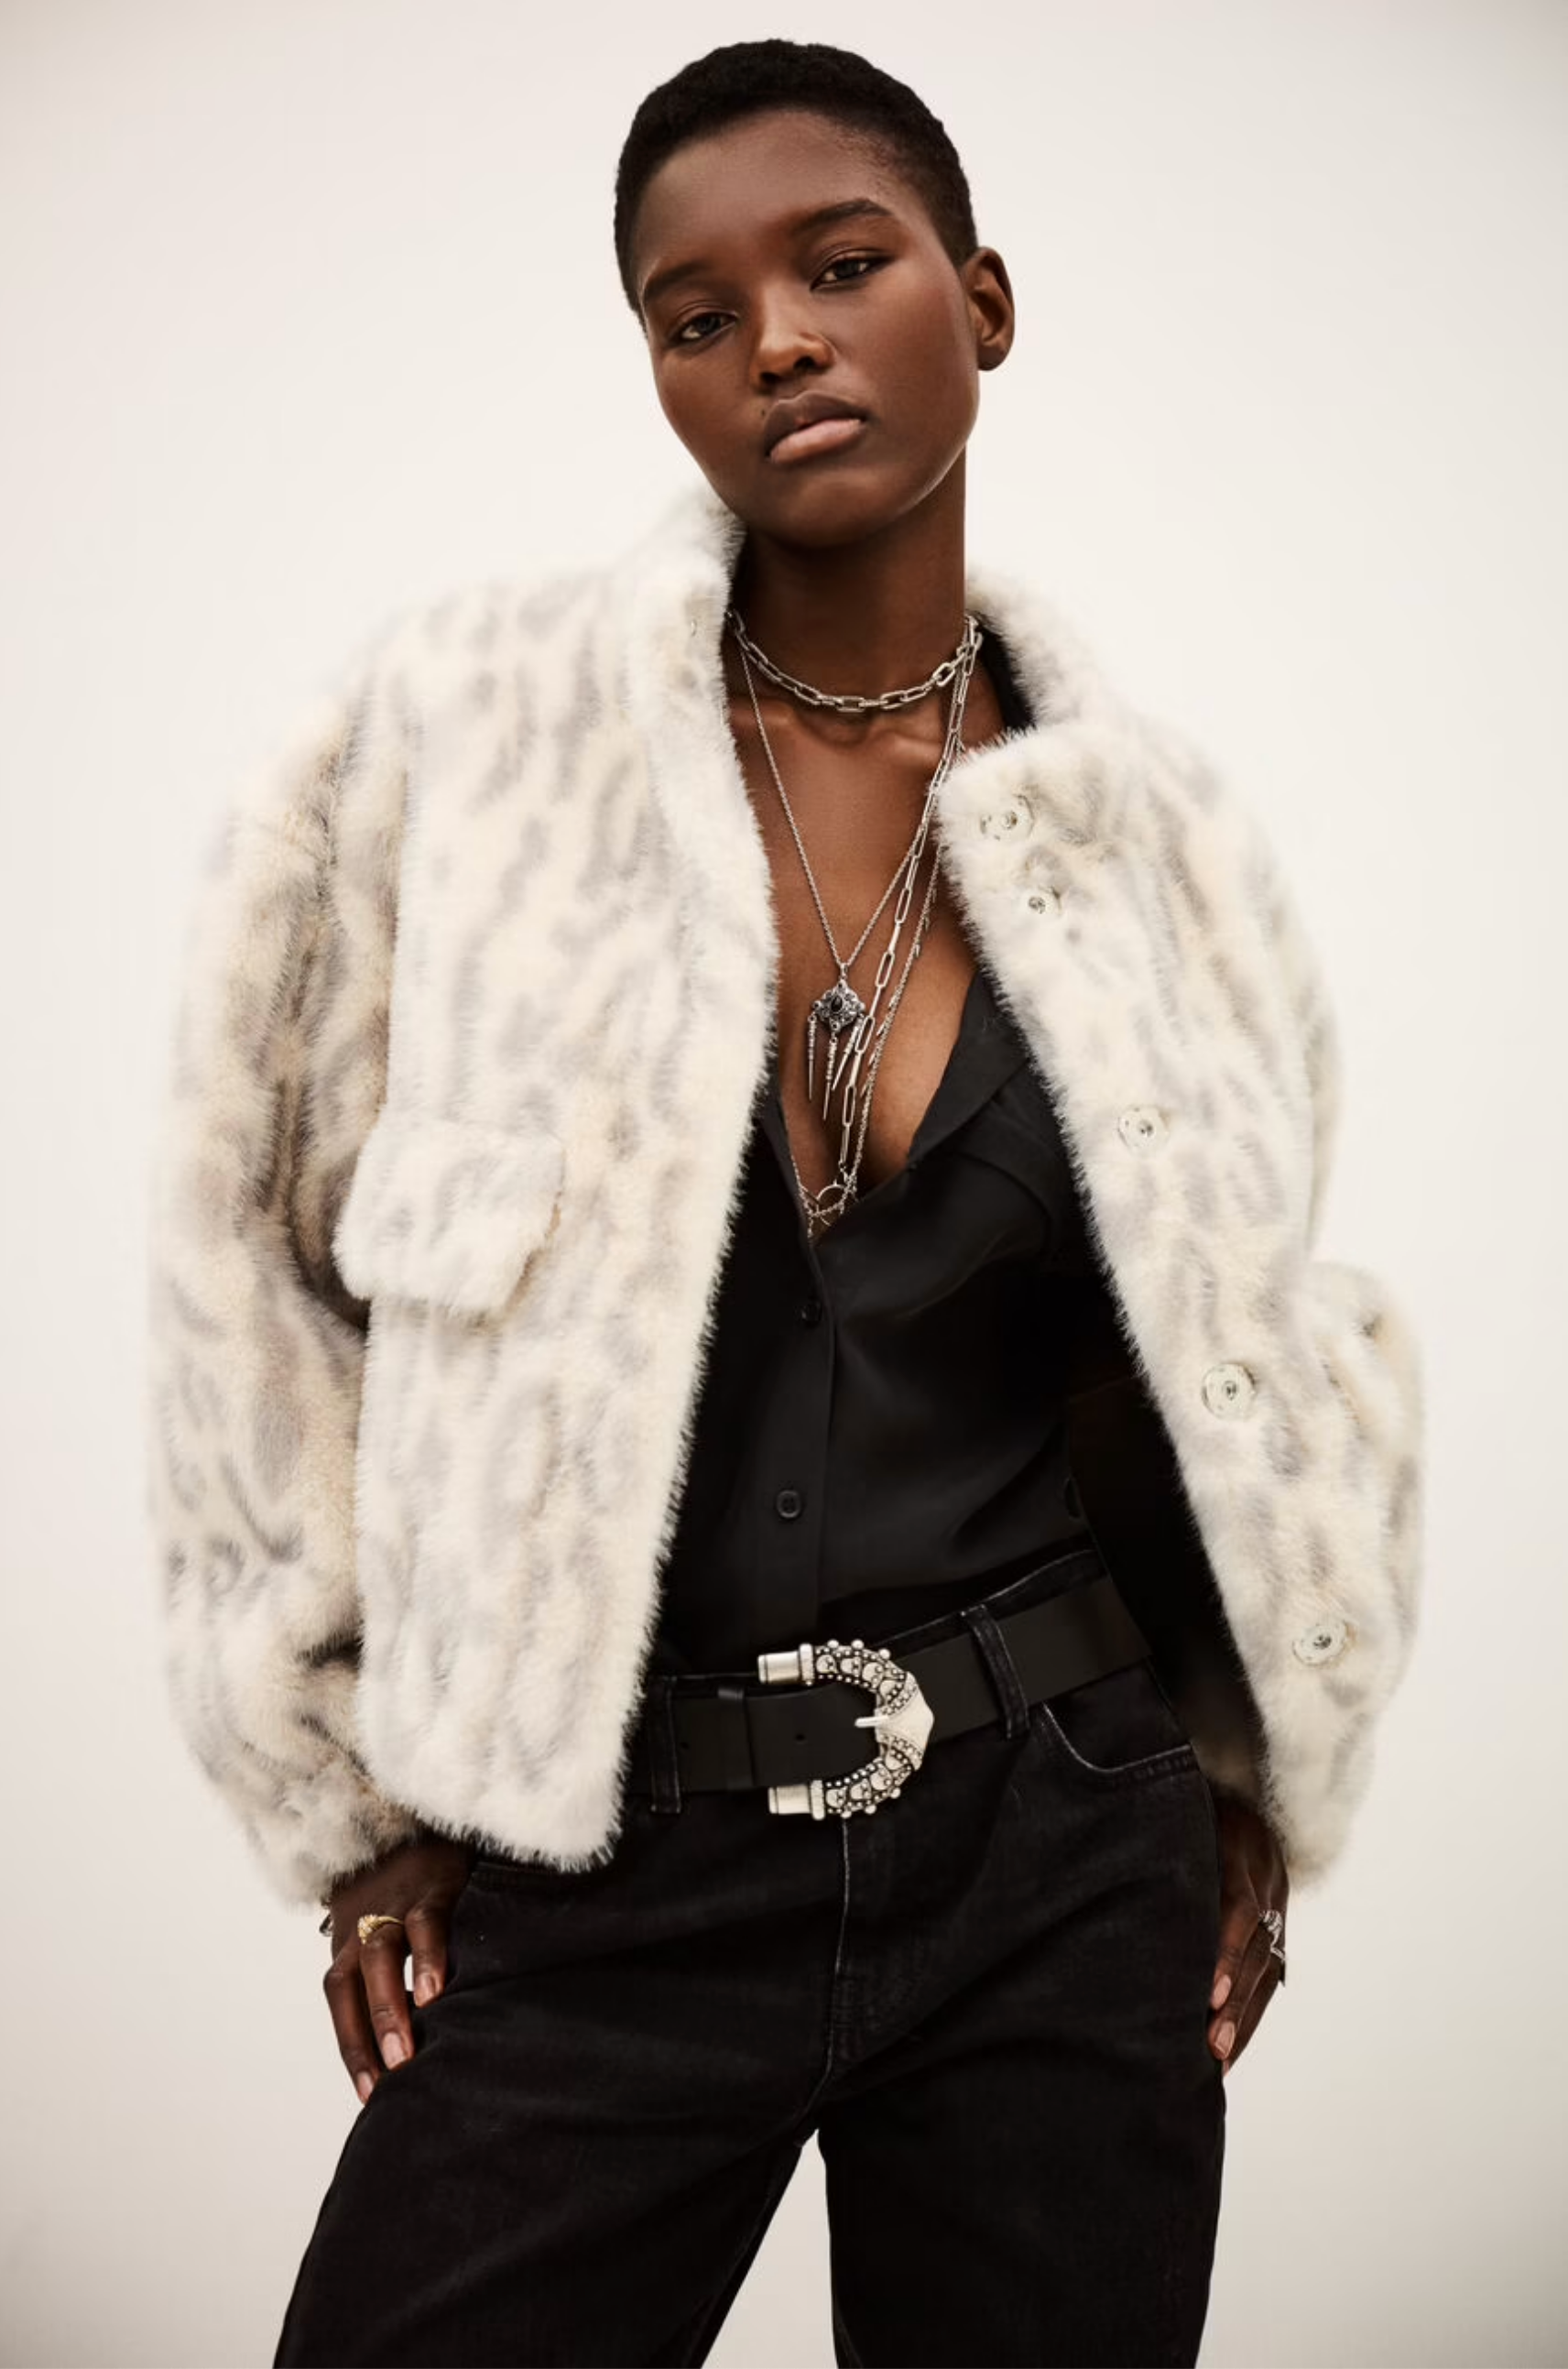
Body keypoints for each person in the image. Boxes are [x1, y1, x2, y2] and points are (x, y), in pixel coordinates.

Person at [145, 38, 1424, 2369]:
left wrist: (1230, 1782)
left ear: (986, 298)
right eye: (693, 312)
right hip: (598, 1858)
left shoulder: (1166, 850)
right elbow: (245, 1267)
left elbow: (1265, 1344)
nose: (779, 343)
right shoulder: (443, 750)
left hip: (1059, 1854)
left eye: (843, 267)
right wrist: (343, 1801)